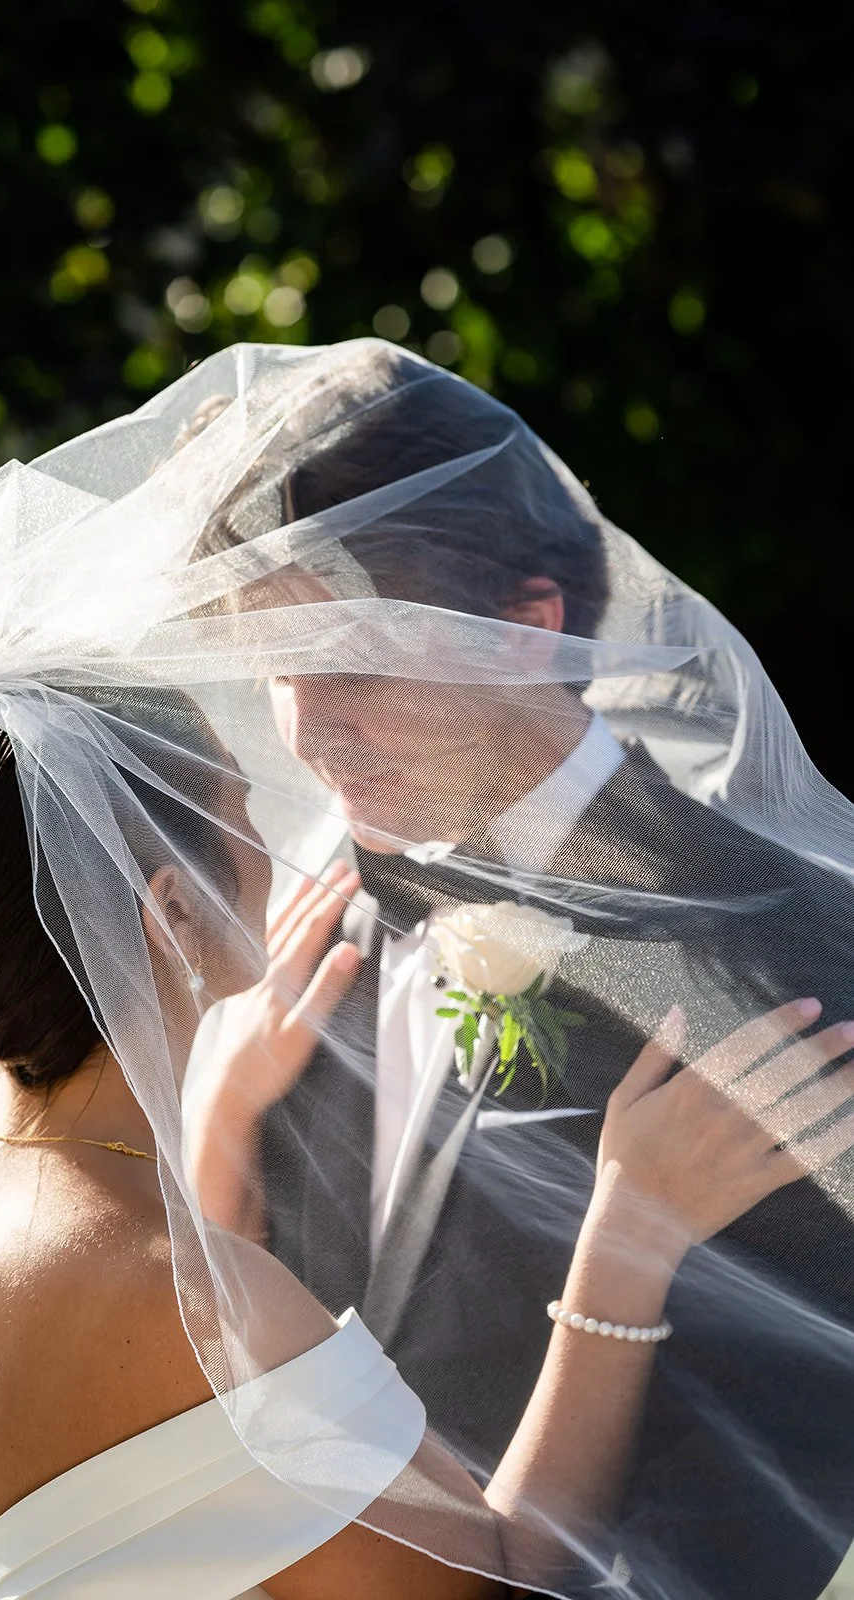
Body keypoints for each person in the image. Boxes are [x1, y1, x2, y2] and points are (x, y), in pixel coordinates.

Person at [0, 681, 839, 1600]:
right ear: (171, 911)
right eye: (239, 810)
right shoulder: (190, 1305)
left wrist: (222, 1120)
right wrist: (626, 1241)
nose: (283, 842)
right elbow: (496, 1576)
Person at [184, 339, 854, 1599]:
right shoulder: (303, 922)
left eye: (354, 666)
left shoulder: (788, 948)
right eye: (278, 670)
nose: (309, 731)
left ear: (525, 631)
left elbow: (790, 1451)